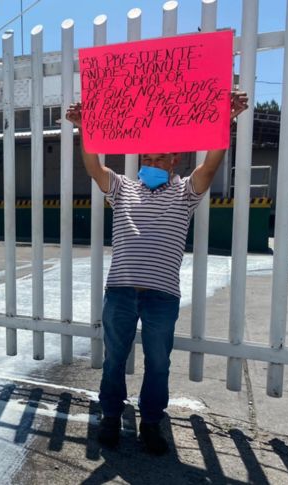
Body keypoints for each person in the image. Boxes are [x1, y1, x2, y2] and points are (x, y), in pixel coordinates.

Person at [64, 90, 248, 454]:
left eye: (159, 157)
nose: (151, 161)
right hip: (119, 291)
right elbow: (94, 167)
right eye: (147, 157)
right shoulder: (123, 188)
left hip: (162, 296)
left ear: (173, 161)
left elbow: (211, 164)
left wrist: (226, 119)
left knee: (159, 363)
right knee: (114, 359)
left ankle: (150, 423)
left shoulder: (185, 192)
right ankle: (111, 418)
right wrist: (84, 128)